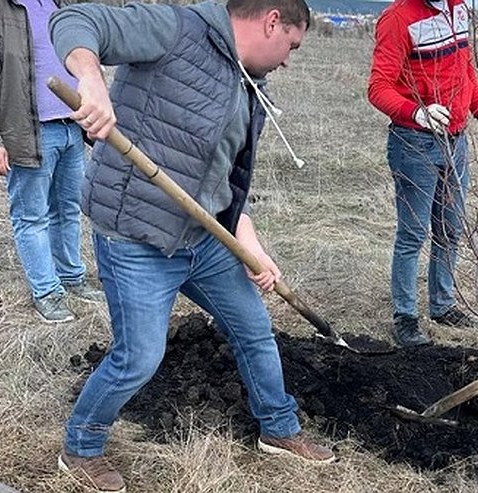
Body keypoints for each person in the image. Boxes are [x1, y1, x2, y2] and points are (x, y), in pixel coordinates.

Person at [49, 0, 334, 490]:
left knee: (254, 329)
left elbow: (224, 180)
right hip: (137, 236)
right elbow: (75, 20)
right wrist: (91, 79)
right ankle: (82, 445)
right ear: (271, 21)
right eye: (291, 44)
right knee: (138, 357)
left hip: (202, 240)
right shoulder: (174, 28)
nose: (289, 59)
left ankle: (279, 429)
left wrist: (251, 245)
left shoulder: (249, 85)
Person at [368, 0, 478, 347]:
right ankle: (405, 317)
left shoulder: (459, 8)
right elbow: (378, 86)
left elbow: (464, 65)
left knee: (450, 229)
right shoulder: (397, 18)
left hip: (457, 141)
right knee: (413, 233)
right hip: (415, 143)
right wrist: (416, 112)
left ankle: (443, 305)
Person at [0, 0, 104, 323]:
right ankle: (47, 292)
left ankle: (72, 277)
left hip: (71, 125)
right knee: (32, 216)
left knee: (69, 208)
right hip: (28, 130)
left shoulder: (59, 4)